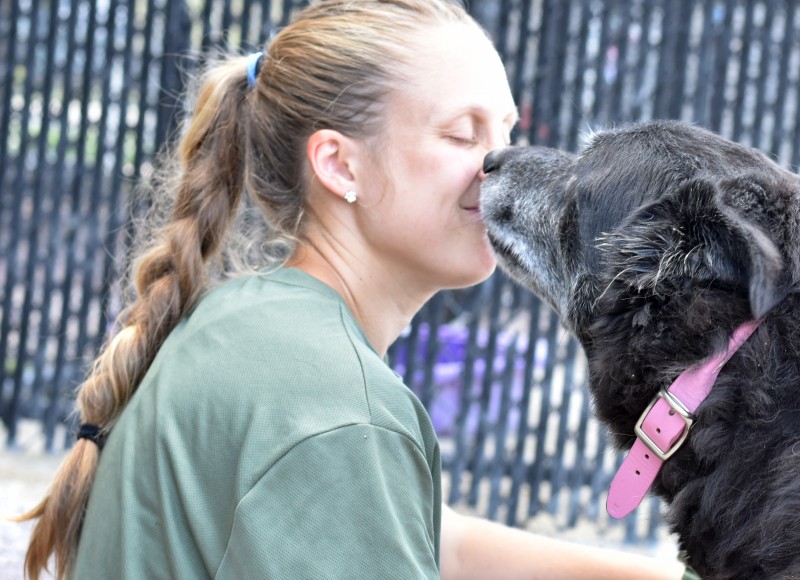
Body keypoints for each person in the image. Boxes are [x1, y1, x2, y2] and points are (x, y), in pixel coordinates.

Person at [17, 1, 687, 578]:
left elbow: (432, 538)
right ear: (340, 164)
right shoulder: (337, 410)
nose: (503, 165)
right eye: (463, 134)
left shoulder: (254, 323)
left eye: (508, 132)